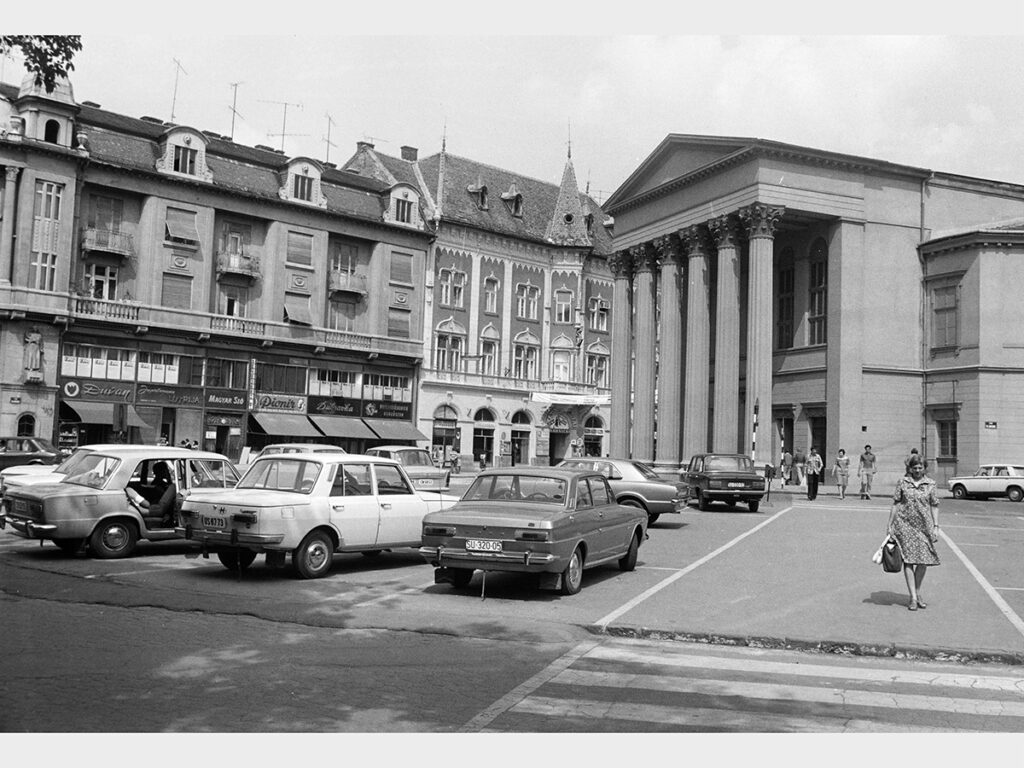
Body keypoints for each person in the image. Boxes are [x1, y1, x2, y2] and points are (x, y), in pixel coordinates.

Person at [887, 455, 940, 611]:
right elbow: (896, 503)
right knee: (909, 561)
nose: (917, 470)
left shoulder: (931, 484)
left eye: (920, 468)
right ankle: (913, 597)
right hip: (904, 525)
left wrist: (936, 526)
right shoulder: (903, 483)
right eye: (915, 468)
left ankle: (916, 592)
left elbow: (934, 505)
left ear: (924, 468)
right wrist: (889, 524)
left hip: (924, 527)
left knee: (923, 561)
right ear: (910, 468)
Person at [149, 461, 178, 527]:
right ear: (161, 471)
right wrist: (168, 477)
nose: (168, 471)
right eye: (166, 470)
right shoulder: (157, 484)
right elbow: (167, 498)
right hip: (159, 505)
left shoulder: (161, 483)